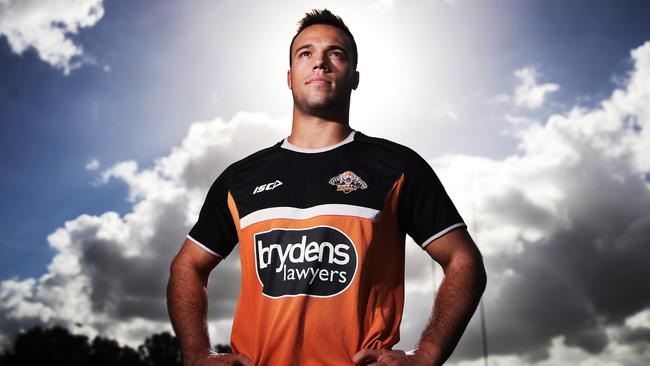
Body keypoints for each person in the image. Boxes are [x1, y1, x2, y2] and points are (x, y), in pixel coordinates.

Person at [167, 8, 487, 366]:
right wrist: (196, 354)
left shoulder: (397, 166)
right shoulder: (240, 178)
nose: (320, 63)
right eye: (306, 53)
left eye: (335, 53)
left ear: (355, 77)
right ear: (290, 77)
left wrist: (427, 354)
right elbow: (187, 266)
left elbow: (464, 259)